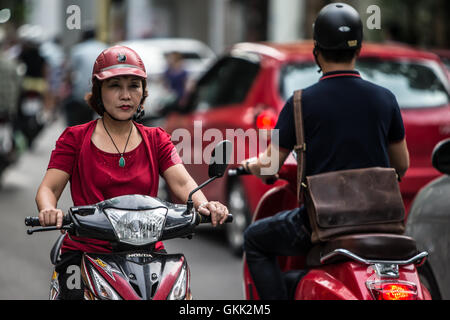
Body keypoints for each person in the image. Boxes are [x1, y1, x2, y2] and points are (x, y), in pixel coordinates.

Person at [241, 3, 410, 300]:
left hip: (321, 224)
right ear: (358, 49)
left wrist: (252, 165)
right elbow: (402, 166)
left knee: (255, 240)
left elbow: (270, 166)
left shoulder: (299, 103)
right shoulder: (386, 99)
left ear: (316, 51)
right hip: (382, 221)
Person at [35, 45, 229, 299]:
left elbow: (183, 183)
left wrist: (205, 206)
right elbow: (48, 188)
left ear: (143, 92)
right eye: (115, 85)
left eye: (134, 85)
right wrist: (49, 209)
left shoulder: (156, 138)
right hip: (86, 250)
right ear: (99, 91)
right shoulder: (75, 138)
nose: (125, 95)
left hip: (148, 252)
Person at [63, 29, 107, 126]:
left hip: (80, 93)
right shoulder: (104, 48)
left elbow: (69, 72)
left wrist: (66, 85)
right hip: (101, 91)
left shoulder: (78, 50)